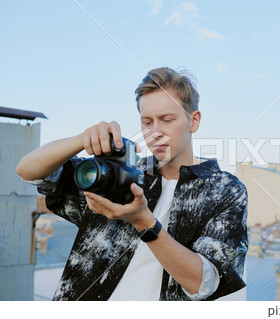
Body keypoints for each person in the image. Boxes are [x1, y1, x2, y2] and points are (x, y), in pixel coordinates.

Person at [16, 67, 248, 301]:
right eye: (147, 122)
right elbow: (28, 170)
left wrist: (143, 222)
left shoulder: (225, 190)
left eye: (167, 120)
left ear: (193, 121)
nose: (155, 132)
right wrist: (81, 140)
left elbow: (203, 283)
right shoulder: (119, 173)